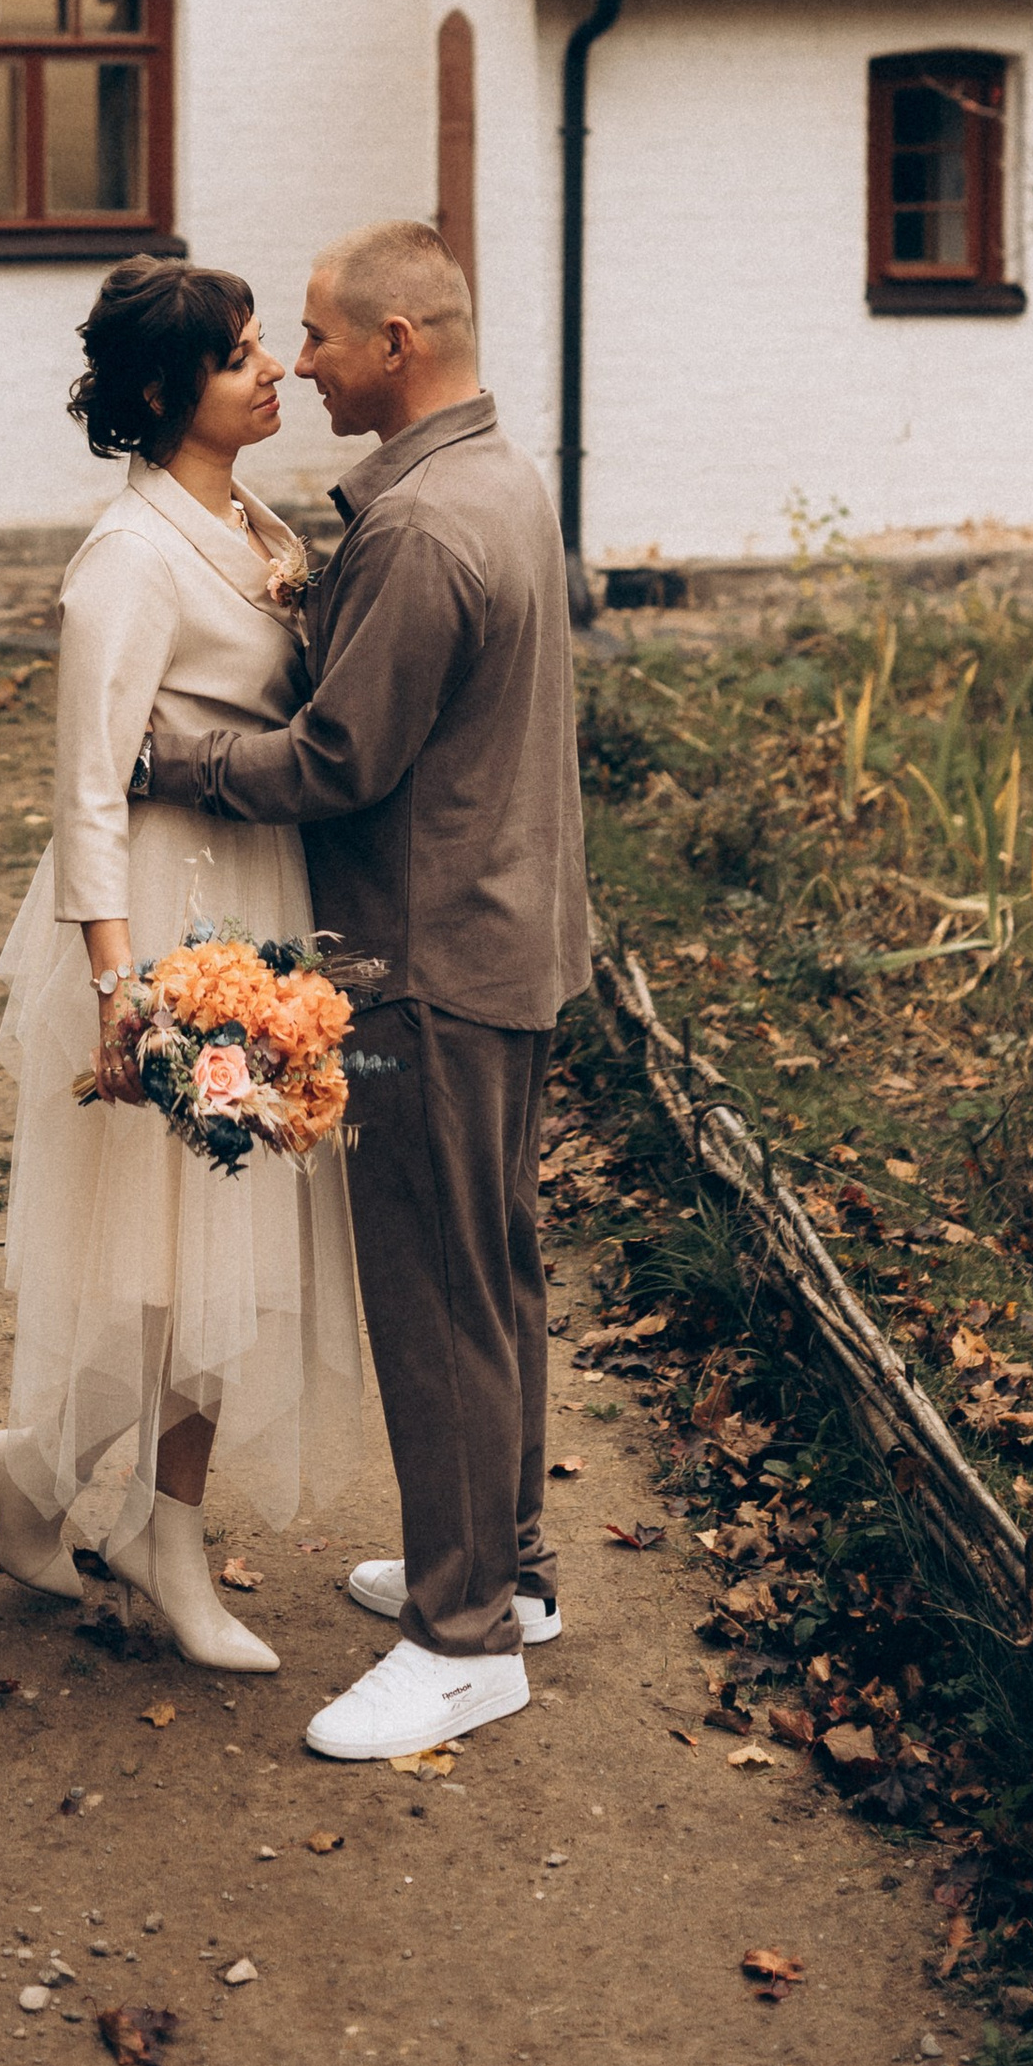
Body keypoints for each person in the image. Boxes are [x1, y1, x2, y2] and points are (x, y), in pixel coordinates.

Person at [140, 218, 590, 1762]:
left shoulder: (416, 528)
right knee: (495, 1271)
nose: (303, 365)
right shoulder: (499, 478)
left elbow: (339, 762)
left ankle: (463, 1641)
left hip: (425, 960)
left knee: (436, 1298)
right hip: (511, 933)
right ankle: (507, 1570)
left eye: (323, 337)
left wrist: (174, 760)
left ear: (399, 344)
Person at [0, 257, 363, 1672]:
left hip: (254, 890)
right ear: (161, 390)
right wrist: (118, 986)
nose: (273, 371)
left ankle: (97, 1493)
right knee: (172, 1245)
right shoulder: (128, 558)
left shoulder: (254, 522)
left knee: (224, 1237)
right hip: (164, 914)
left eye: (266, 346)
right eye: (239, 355)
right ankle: (123, 1514)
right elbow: (86, 787)